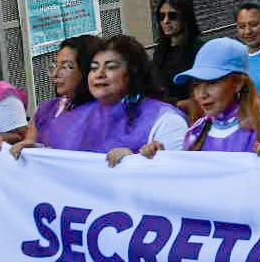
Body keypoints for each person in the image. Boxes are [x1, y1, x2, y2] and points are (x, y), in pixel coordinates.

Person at [138, 37, 260, 159]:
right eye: (197, 84)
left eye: (212, 82)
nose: (202, 94)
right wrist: (160, 157)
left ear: (238, 83)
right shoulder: (196, 131)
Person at [70, 35, 191, 166]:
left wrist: (133, 162)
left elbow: (176, 174)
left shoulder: (167, 120)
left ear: (133, 72)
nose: (99, 74)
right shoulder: (79, 117)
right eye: (94, 68)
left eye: (110, 67)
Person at [4, 36, 98, 157]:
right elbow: (30, 153)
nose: (55, 74)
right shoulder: (44, 110)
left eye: (65, 67)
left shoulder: (104, 111)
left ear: (87, 70)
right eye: (55, 66)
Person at [151, 0, 205, 108]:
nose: (165, 21)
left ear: (185, 17)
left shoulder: (200, 51)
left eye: (172, 16)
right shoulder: (160, 51)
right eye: (161, 16)